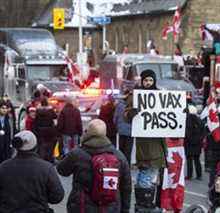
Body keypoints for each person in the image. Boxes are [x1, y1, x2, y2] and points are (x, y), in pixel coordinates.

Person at [57, 119, 131, 213]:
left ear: (88, 132)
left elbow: (62, 170)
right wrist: (125, 209)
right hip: (110, 207)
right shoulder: (118, 155)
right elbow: (126, 186)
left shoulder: (77, 153)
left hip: (81, 206)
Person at [124, 69, 167, 211]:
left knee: (152, 176)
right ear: (141, 81)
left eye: (150, 80)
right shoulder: (135, 97)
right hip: (144, 144)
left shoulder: (161, 95)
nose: (148, 83)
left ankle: (146, 203)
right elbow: (126, 116)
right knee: (146, 173)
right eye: (146, 80)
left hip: (158, 142)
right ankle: (144, 204)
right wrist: (133, 112)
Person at [0, 130, 64, 212]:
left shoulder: (3, 167)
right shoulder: (46, 168)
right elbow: (57, 196)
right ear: (35, 147)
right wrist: (42, 196)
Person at [33, 98, 58, 163]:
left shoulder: (38, 111)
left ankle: (41, 159)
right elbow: (55, 117)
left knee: (41, 145)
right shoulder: (50, 110)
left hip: (40, 131)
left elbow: (35, 121)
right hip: (49, 131)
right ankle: (49, 158)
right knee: (50, 145)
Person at [184, 105, 204, 180]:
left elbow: (187, 132)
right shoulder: (200, 120)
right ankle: (199, 175)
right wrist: (199, 140)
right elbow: (203, 132)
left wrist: (188, 140)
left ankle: (189, 175)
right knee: (197, 159)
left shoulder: (188, 120)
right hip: (198, 143)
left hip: (189, 143)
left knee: (189, 159)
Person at [113, 90, 133, 164]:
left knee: (121, 149)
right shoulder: (133, 106)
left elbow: (115, 118)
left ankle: (121, 164)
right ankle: (127, 165)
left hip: (121, 130)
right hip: (131, 131)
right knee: (128, 150)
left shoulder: (119, 105)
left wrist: (117, 126)